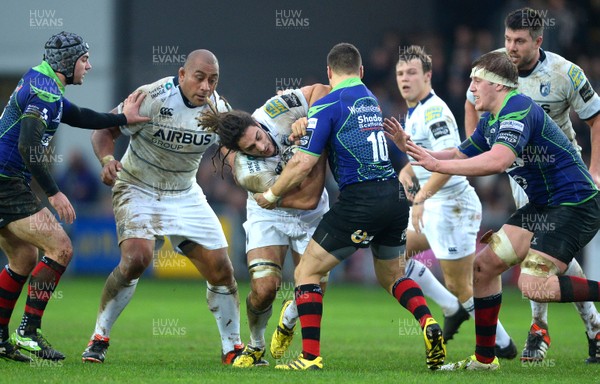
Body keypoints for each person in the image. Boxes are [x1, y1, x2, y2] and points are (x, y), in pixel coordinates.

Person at [386, 50, 600, 371]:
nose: (471, 88)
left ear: (499, 86)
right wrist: (419, 151)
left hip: (574, 204)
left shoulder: (516, 110)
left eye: (477, 81)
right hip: (544, 205)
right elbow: (459, 152)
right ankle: (486, 360)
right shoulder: (492, 119)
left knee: (533, 285)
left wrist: (437, 164)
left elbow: (498, 161)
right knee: (483, 268)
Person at [254, 42, 446, 371]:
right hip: (395, 195)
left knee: (306, 272)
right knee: (393, 277)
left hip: (361, 201)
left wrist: (271, 196)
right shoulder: (370, 99)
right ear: (360, 72)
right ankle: (428, 322)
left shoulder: (328, 104)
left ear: (329, 72)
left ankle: (310, 357)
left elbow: (302, 163)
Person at [81, 49, 244, 365]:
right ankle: (99, 337)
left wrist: (252, 178)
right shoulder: (151, 97)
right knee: (136, 260)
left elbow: (232, 150)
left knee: (222, 269)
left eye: (213, 80)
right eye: (199, 77)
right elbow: (103, 131)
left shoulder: (216, 109)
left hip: (185, 193)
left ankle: (232, 348)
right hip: (137, 186)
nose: (206, 86)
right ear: (182, 74)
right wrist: (106, 160)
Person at [0, 31, 148, 362]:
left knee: (23, 259)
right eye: (84, 60)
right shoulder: (44, 93)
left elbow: (79, 116)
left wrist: (123, 119)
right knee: (61, 247)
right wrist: (54, 193)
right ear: (68, 62)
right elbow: (27, 146)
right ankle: (27, 332)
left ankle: (0, 337)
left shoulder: (42, 81)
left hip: (6, 182)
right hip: (5, 184)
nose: (89, 66)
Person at [464, 7, 600, 363]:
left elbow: (596, 118)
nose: (511, 47)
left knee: (543, 262)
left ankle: (552, 329)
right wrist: (475, 147)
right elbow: (471, 103)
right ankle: (581, 328)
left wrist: (596, 170)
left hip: (561, 175)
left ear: (538, 41)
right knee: (536, 260)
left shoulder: (564, 73)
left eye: (520, 41)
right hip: (520, 174)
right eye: (507, 39)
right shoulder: (495, 71)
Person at [394, 45, 517, 357]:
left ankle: (502, 344)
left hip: (451, 207)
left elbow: (450, 163)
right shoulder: (415, 112)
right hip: (434, 206)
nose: (405, 79)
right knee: (394, 253)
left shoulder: (434, 111)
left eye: (411, 73)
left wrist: (421, 195)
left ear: (428, 76)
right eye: (400, 73)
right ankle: (451, 308)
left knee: (462, 285)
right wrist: (408, 170)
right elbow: (428, 155)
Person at [199, 84, 331, 367]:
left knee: (315, 288)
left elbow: (323, 89)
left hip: (310, 216)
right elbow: (306, 198)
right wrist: (317, 142)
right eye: (252, 148)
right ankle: (256, 345)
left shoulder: (277, 108)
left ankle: (288, 318)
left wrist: (314, 119)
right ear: (240, 152)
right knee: (264, 289)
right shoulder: (248, 171)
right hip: (271, 210)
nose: (263, 146)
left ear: (257, 122)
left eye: (258, 137)